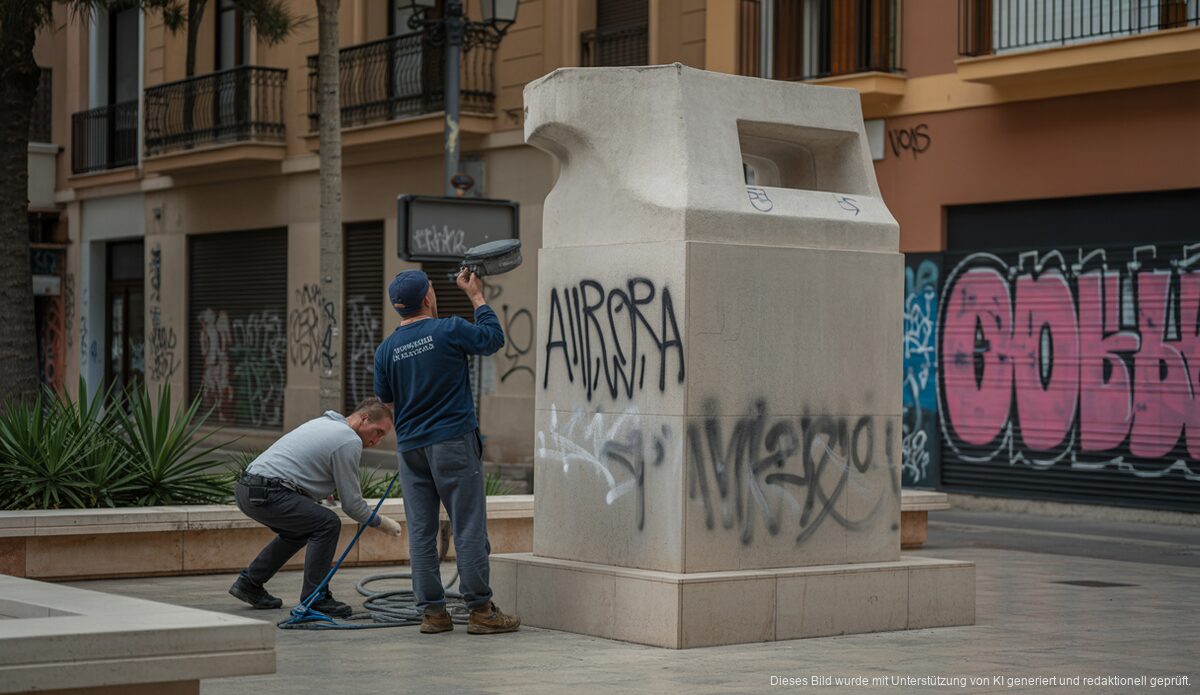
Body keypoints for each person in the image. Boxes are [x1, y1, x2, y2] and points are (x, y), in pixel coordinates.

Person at [374, 268, 520, 635]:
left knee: (421, 532)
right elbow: (492, 339)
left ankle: (433, 614)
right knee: (467, 525)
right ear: (427, 298)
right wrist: (476, 296)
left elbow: (386, 400)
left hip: (411, 449)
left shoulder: (386, 349)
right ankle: (480, 611)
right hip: (453, 441)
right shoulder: (448, 329)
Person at [229, 398, 403, 617]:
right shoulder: (349, 440)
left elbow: (304, 463)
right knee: (327, 523)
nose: (377, 441)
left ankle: (249, 584)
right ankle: (315, 597)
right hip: (269, 492)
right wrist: (383, 523)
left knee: (298, 532)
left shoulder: (326, 423)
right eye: (378, 432)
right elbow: (352, 505)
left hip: (247, 489)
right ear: (364, 419)